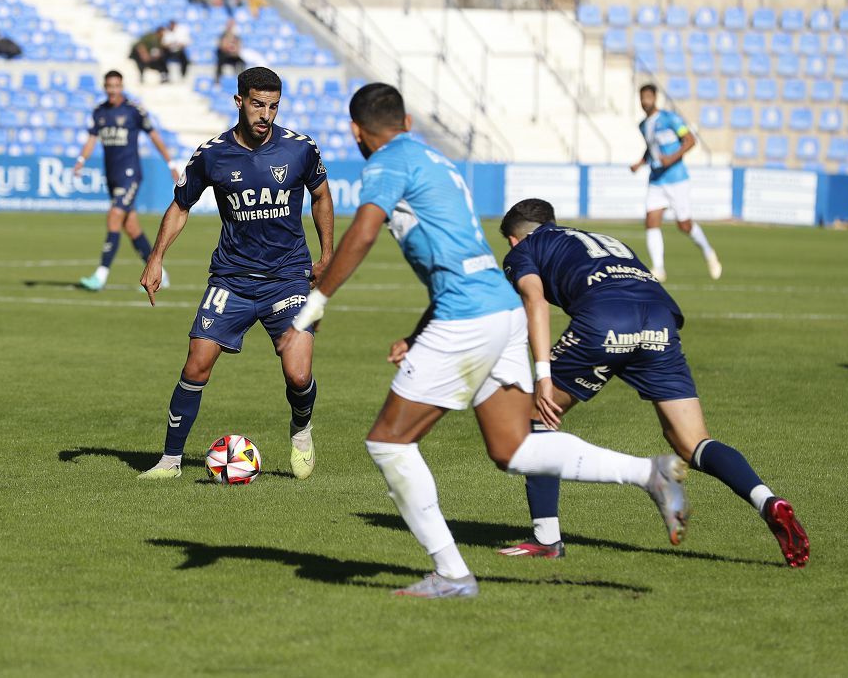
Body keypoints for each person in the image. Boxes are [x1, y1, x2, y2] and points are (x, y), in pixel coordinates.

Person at [277, 83, 689, 599]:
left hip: (467, 320)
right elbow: (459, 259)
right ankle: (648, 472)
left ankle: (451, 574)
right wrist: (419, 332)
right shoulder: (439, 163)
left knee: (388, 441)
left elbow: (362, 232)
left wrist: (311, 309)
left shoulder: (385, 162)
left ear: (357, 132)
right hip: (500, 311)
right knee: (512, 448)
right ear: (408, 122)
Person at [497, 198, 809, 568]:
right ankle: (767, 501)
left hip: (605, 320)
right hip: (660, 319)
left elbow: (535, 300)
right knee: (691, 442)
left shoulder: (525, 249)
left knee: (535, 419)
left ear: (514, 240)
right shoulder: (600, 240)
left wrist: (543, 374)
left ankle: (546, 539)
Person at [138, 67, 334, 482]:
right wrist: (156, 257)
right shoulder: (212, 154)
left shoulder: (300, 149)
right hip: (232, 279)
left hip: (289, 277)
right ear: (239, 101)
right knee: (196, 365)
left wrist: (328, 253)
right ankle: (170, 462)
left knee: (298, 374)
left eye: (274, 106)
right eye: (259, 104)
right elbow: (180, 205)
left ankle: (301, 430)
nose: (266, 114)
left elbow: (320, 194)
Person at [74, 70, 178, 292]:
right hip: (112, 175)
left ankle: (100, 276)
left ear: (121, 86)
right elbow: (92, 139)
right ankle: (162, 275)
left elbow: (154, 136)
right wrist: (81, 160)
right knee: (131, 228)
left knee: (113, 217)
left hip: (130, 174)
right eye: (109, 86)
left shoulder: (134, 111)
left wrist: (170, 163)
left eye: (116, 86)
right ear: (105, 87)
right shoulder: (99, 112)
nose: (113, 90)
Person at [630, 84, 721, 284]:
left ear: (655, 98)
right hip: (656, 179)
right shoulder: (643, 125)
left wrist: (671, 158)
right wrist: (640, 162)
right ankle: (659, 268)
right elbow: (651, 149)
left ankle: (708, 251)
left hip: (676, 179)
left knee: (684, 224)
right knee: (651, 221)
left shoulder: (670, 119)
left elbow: (690, 140)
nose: (645, 101)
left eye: (648, 97)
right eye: (642, 97)